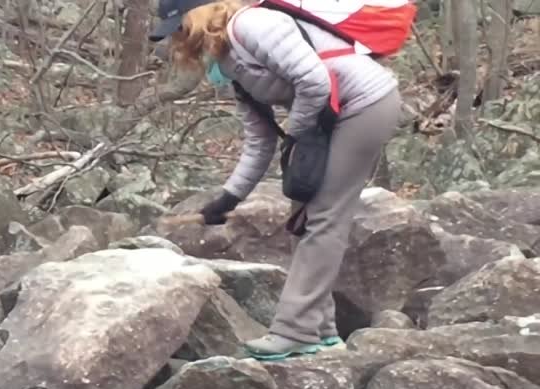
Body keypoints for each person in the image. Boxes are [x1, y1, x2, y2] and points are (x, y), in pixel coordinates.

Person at [149, 0, 402, 360]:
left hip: (365, 105)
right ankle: (321, 330)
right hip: (330, 115)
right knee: (302, 220)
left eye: (179, 24)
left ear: (202, 13)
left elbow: (314, 80)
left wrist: (298, 137)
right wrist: (228, 198)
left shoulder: (251, 25)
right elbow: (260, 142)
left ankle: (294, 330)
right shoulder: (230, 66)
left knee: (323, 217)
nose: (177, 36)